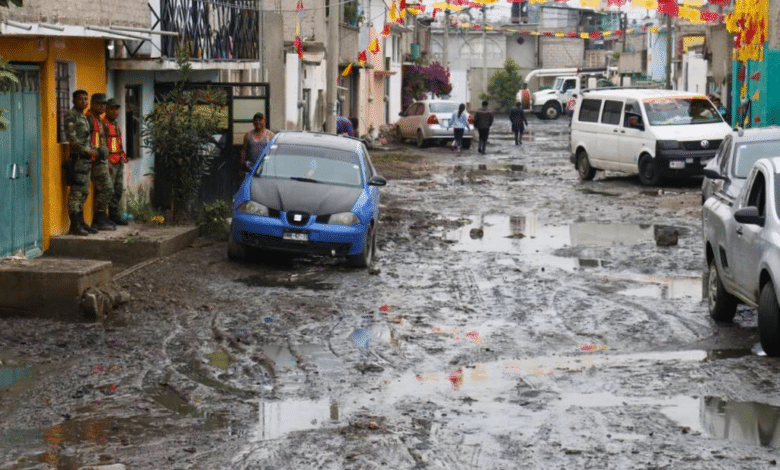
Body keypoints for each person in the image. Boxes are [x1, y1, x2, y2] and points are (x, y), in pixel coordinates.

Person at [65, 90, 98, 236]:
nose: (84, 101)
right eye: (80, 99)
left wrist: (92, 150)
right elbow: (72, 139)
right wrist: (87, 150)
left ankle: (82, 222)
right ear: (73, 100)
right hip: (78, 159)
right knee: (76, 194)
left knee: (84, 192)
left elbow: (86, 138)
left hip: (86, 160)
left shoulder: (83, 117)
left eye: (86, 99)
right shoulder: (72, 116)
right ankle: (75, 225)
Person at [85, 93, 115, 231]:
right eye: (100, 104)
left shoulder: (100, 121)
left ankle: (101, 217)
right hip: (94, 160)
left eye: (104, 104)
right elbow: (85, 141)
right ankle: (99, 218)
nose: (103, 107)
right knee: (107, 189)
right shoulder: (89, 119)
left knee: (104, 189)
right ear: (93, 104)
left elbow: (103, 141)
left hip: (102, 161)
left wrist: (107, 161)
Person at [103, 98, 129, 226]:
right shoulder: (104, 124)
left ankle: (114, 214)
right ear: (106, 110)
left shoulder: (115, 125)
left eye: (116, 109)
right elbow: (102, 145)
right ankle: (106, 216)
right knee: (109, 190)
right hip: (110, 163)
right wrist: (107, 162)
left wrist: (123, 157)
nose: (115, 111)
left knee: (118, 189)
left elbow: (117, 143)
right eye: (112, 108)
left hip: (118, 161)